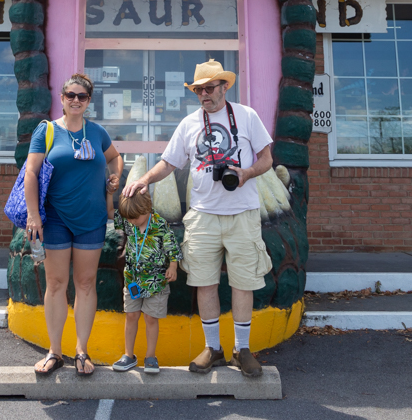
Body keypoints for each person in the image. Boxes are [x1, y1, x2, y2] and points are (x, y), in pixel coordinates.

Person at [123, 59, 273, 378]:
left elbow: (267, 159)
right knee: (204, 283)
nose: (204, 94)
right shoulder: (190, 123)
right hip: (203, 216)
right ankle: (213, 348)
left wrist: (246, 173)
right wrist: (144, 180)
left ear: (224, 87)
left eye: (210, 88)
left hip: (242, 214)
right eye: (199, 89)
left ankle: (242, 349)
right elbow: (169, 162)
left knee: (243, 284)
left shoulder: (247, 117)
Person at [25, 72, 124, 377]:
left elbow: (116, 157)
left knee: (85, 284)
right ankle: (55, 352)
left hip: (91, 219)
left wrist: (115, 177)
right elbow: (31, 173)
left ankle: (81, 351)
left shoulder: (97, 132)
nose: (76, 101)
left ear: (89, 101)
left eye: (82, 96)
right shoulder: (47, 131)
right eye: (71, 95)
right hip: (55, 219)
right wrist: (33, 215)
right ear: (63, 98)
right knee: (56, 284)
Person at [110, 189, 182, 374]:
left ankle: (150, 356)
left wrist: (172, 266)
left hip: (155, 281)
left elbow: (172, 247)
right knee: (131, 315)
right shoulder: (129, 222)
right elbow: (111, 213)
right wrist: (110, 194)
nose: (132, 221)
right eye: (129, 218)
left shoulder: (160, 225)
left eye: (135, 217)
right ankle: (128, 355)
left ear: (147, 208)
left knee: (151, 318)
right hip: (133, 279)